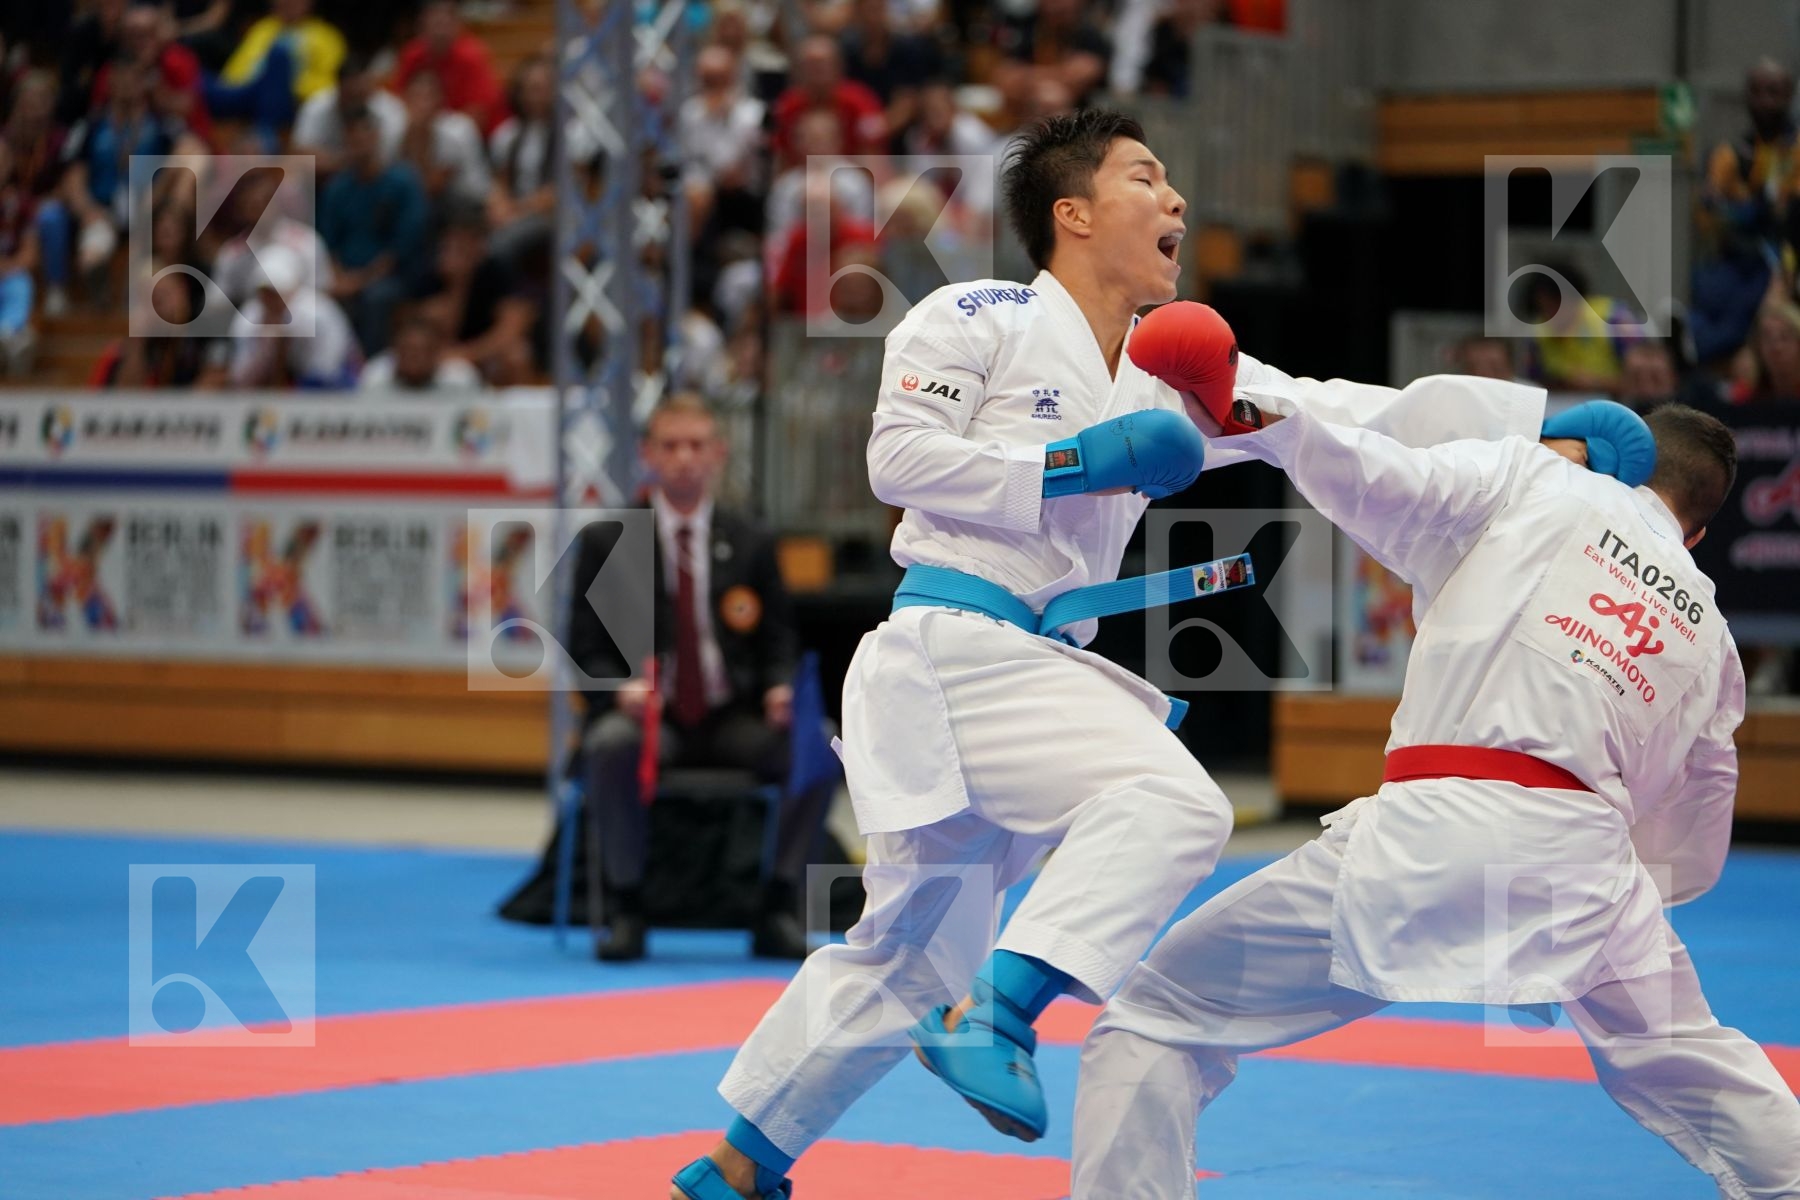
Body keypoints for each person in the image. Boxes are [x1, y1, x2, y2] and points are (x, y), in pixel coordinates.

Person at [667, 108, 1542, 1200]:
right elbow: (897, 458)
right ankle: (1002, 1009)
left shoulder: (1173, 364)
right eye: (1147, 177)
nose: (1177, 199)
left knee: (908, 952)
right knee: (1172, 804)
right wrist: (1073, 463)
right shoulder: (974, 312)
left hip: (1025, 662)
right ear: (1071, 213)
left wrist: (1536, 438)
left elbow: (1343, 416)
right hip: (950, 642)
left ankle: (736, 1171)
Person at [1071, 395, 1800, 1198]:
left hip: (1429, 833)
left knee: (1156, 1017)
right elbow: (1688, 843)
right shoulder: (1713, 639)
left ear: (1617, 456)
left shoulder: (1541, 476)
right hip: (1585, 861)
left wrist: (1277, 425)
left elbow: (1389, 479)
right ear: (1697, 533)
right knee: (1698, 1058)